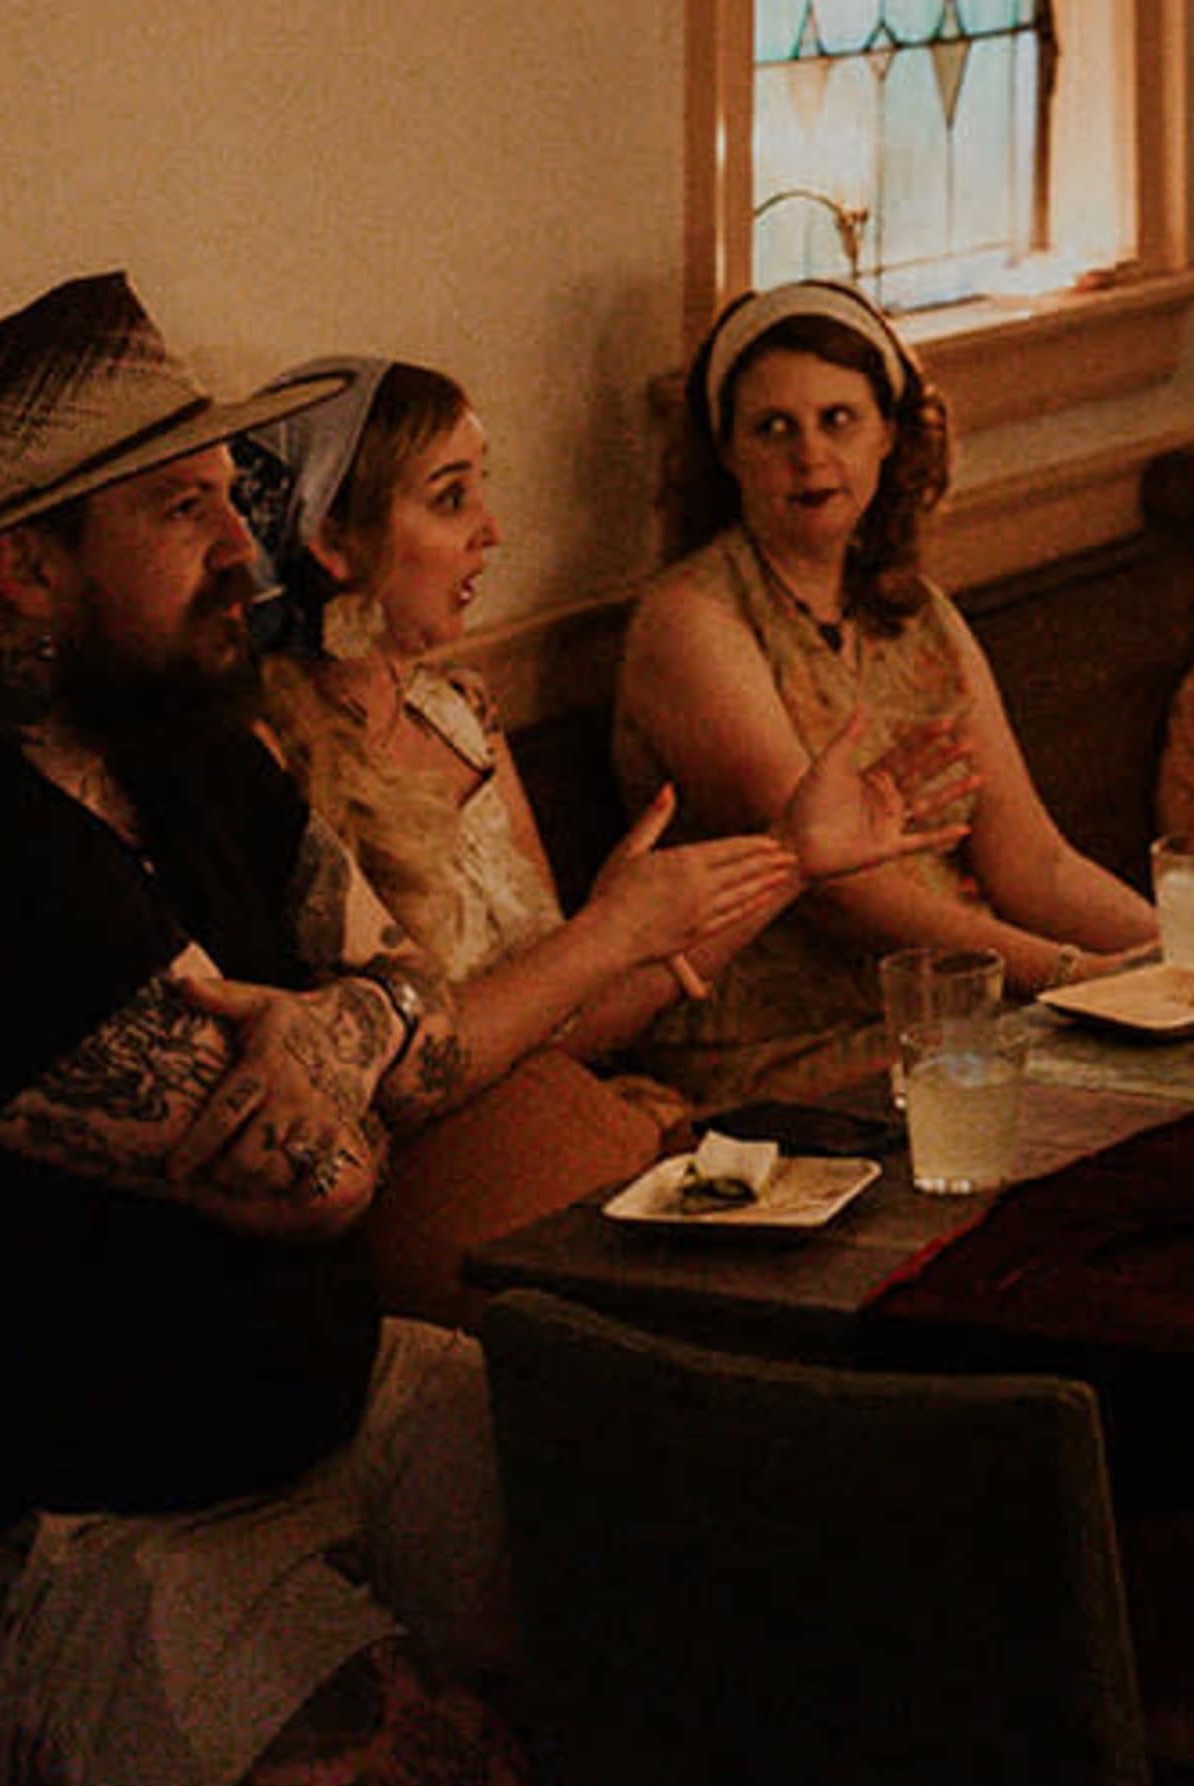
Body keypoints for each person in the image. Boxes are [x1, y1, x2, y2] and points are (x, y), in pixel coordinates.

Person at [0, 276, 528, 1786]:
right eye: (182, 504)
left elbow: (421, 1026)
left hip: (296, 1402)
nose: (243, 536)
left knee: (676, 1538)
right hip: (7, 1532)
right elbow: (319, 1181)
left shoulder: (184, 725)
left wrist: (328, 1017)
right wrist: (350, 1029)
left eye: (231, 485)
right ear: (20, 566)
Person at [257, 356, 870, 1297]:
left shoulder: (460, 710)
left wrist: (797, 858)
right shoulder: (274, 756)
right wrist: (610, 931)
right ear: (333, 540)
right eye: (451, 499)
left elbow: (565, 1022)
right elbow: (405, 1078)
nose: (491, 533)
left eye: (481, 493)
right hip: (448, 1213)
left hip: (587, 1142)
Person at [613, 277, 1156, 1087]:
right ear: (727, 453)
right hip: (791, 1048)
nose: (810, 457)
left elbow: (1033, 861)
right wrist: (1071, 977)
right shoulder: (691, 620)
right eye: (773, 429)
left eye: (838, 420)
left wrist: (1180, 957)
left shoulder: (917, 613)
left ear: (889, 436)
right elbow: (837, 886)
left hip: (960, 1013)